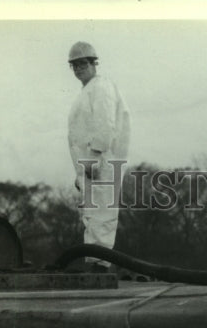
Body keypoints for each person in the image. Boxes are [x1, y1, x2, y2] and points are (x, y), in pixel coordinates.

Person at [67, 42, 131, 268]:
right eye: (74, 65)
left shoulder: (101, 86)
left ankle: (101, 266)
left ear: (94, 63)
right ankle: (94, 264)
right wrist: (80, 173)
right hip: (90, 165)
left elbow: (105, 124)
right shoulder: (86, 91)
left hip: (101, 161)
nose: (78, 68)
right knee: (92, 216)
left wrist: (94, 156)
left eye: (83, 63)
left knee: (102, 215)